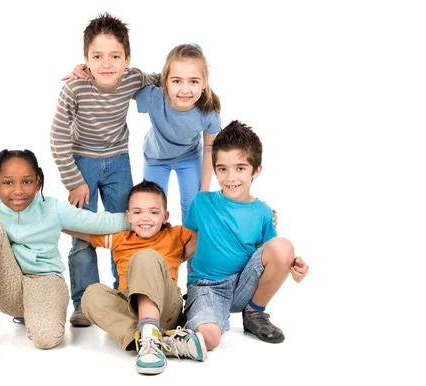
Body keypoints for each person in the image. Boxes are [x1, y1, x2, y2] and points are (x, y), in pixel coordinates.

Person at [0, 149, 131, 357]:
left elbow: (98, 222)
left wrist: (140, 218)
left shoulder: (52, 208)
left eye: (27, 182)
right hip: (7, 286)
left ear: (38, 182)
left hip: (45, 282)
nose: (18, 190)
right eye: (8, 183)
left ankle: (34, 313)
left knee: (47, 339)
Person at [50, 12, 160, 327]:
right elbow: (57, 136)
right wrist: (73, 181)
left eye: (115, 56)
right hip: (81, 162)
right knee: (83, 236)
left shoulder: (132, 77)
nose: (106, 64)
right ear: (85, 59)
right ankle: (84, 302)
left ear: (127, 60)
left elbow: (160, 78)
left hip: (118, 162)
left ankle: (125, 294)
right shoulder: (75, 87)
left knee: (124, 228)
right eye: (97, 56)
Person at [182, 120, 309, 351]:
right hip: (208, 286)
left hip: (244, 285)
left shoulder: (263, 212)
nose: (231, 177)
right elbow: (190, 244)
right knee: (208, 339)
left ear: (256, 171)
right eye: (222, 168)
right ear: (215, 169)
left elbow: (268, 255)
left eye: (240, 168)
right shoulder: (202, 202)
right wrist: (161, 265)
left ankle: (254, 313)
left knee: (283, 246)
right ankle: (199, 313)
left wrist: (293, 268)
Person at [64, 180, 207, 375]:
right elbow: (84, 232)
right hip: (129, 305)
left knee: (145, 256)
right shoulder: (120, 238)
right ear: (128, 216)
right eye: (138, 212)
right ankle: (165, 342)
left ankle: (150, 336)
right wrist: (55, 222)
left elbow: (203, 232)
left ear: (165, 216)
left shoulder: (175, 235)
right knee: (91, 295)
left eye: (154, 212)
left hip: (165, 306)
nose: (145, 218)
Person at [135, 43, 221, 274]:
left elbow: (210, 147)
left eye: (193, 81)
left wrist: (204, 189)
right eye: (176, 81)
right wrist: (87, 70)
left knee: (193, 211)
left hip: (188, 158)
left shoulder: (209, 112)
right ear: (164, 81)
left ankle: (196, 278)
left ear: (204, 83)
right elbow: (119, 85)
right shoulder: (152, 98)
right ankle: (155, 273)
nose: (185, 89)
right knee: (151, 211)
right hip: (155, 158)